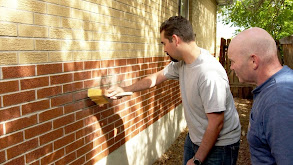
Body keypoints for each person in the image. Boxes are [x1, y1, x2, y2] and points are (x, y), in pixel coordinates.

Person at [108, 16, 241, 165]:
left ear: (175, 40)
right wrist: (125, 89)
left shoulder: (209, 74)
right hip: (195, 138)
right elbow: (156, 78)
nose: (164, 49)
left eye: (164, 43)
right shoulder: (182, 62)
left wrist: (197, 159)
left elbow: (216, 122)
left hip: (220, 147)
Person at [228, 27, 293, 164]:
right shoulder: (271, 89)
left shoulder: (279, 99)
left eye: (233, 61)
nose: (231, 67)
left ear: (254, 61)